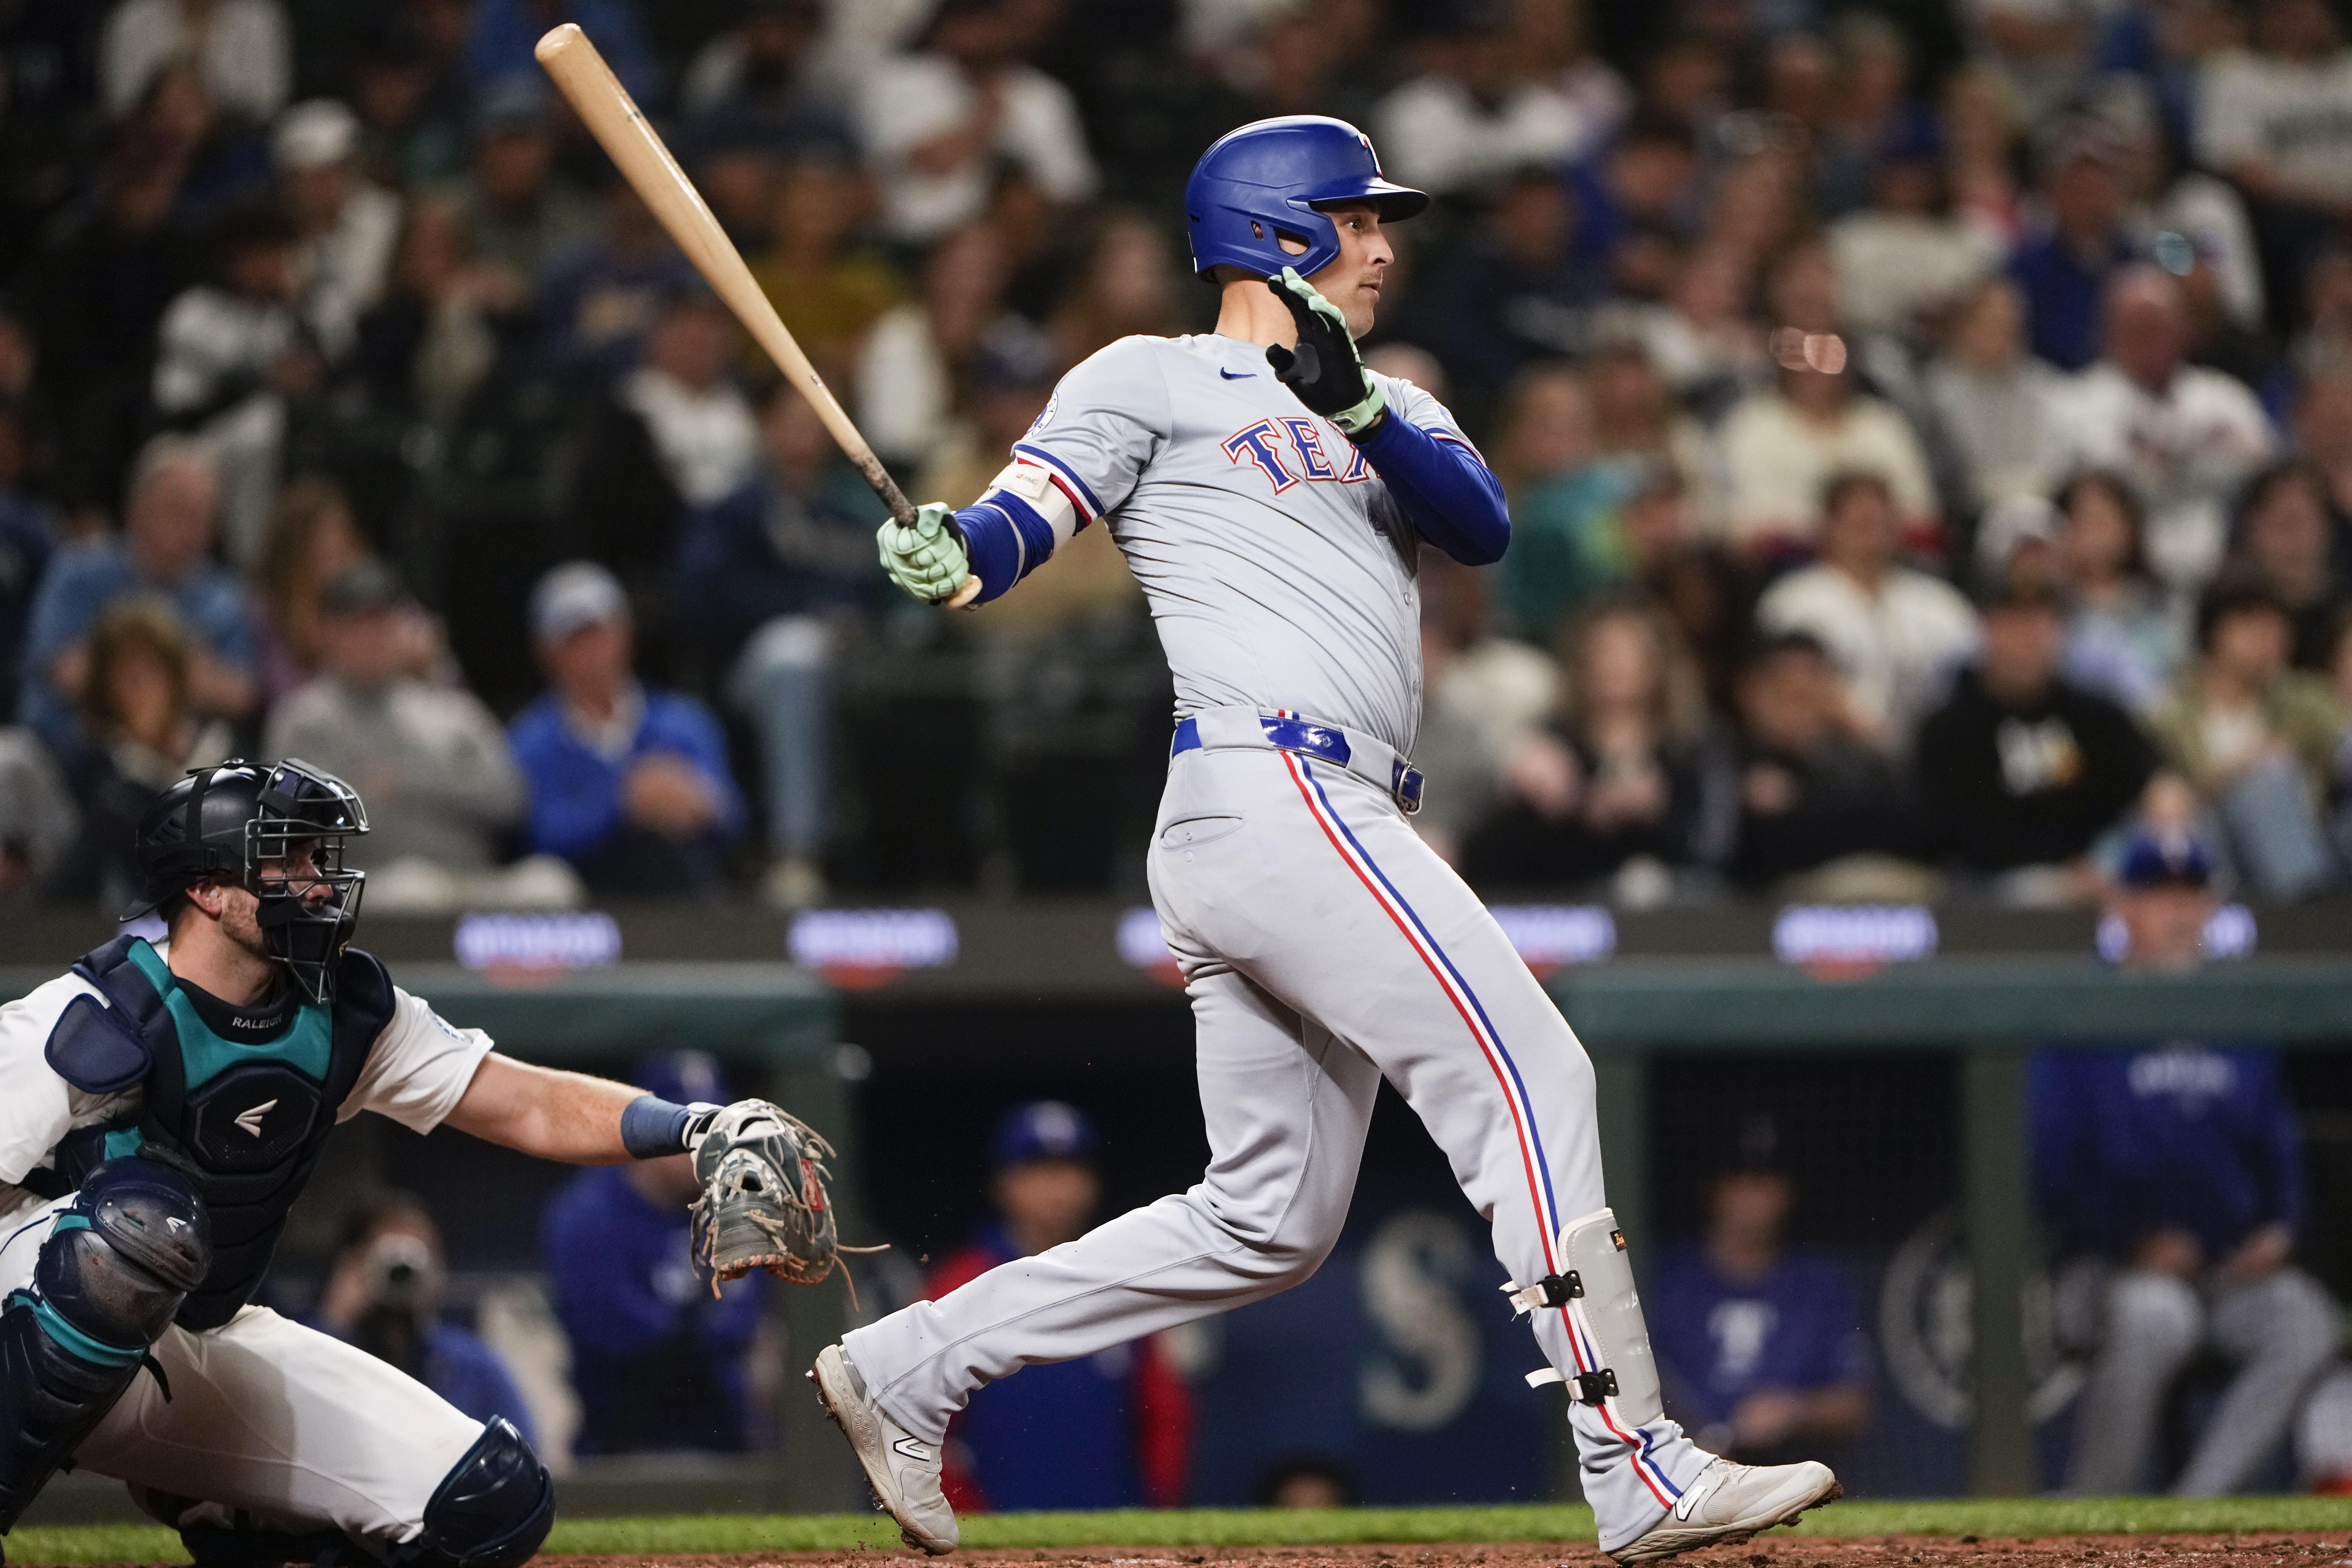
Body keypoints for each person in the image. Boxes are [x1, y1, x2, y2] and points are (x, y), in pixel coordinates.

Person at [814, 114, 1841, 1564]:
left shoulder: (1400, 400)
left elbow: (1478, 526)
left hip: (1328, 813)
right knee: (1536, 1066)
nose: (1380, 247)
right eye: (1357, 221)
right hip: (1270, 787)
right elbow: (1018, 523)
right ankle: (1637, 1462)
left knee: (1269, 1217)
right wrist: (958, 551)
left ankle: (911, 1364)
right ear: (1278, 230)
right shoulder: (1151, 375)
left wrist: (1359, 407)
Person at [0, 757, 814, 1561]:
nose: (317, 880)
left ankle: (231, 1511)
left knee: (490, 1499)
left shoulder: (348, 1010)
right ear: (208, 889)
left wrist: (697, 1126)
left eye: (319, 857)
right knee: (131, 1236)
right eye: (287, 858)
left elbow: (522, 1101)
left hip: (198, 1337)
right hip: (40, 1313)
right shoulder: (87, 1015)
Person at [2035, 827, 2341, 1495]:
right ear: (2122, 906)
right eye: (2157, 894)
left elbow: (2278, 1148)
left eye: (2190, 894)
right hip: (2107, 1270)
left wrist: (2280, 1229)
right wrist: (2132, 1240)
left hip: (2229, 1273)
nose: (2177, 911)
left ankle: (2197, 1508)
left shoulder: (2235, 1012)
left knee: (2307, 1319)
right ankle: (2096, 1504)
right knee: (2156, 1316)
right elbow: (2049, 1164)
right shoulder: (2083, 1009)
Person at [924, 1103, 1191, 1511]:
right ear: (1004, 1183)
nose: (1060, 1187)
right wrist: (960, 1518)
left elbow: (1164, 1412)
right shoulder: (962, 1282)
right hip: (991, 1537)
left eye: (1073, 1169)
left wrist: (1154, 1509)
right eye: (1040, 1170)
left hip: (1111, 1534)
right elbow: (919, 1419)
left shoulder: (1122, 1279)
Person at [677, 383, 877, 908]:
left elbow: (881, 595)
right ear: (766, 430)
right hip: (756, 665)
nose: (803, 437)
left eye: (814, 426)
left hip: (851, 659)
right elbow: (703, 597)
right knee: (794, 653)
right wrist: (802, 608)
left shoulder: (849, 513)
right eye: (791, 423)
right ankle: (797, 852)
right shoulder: (734, 513)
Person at [264, 561, 553, 911]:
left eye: (383, 624)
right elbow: (308, 823)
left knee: (549, 883)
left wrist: (406, 784)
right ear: (328, 633)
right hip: (370, 887)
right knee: (415, 888)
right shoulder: (304, 722)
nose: (373, 640)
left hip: (473, 880)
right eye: (359, 626)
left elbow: (510, 799)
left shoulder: (453, 713)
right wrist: (449, 789)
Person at [542, 1053, 769, 1455]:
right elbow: (617, 1338)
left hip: (725, 1447)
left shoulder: (739, 1207)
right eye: (690, 1127)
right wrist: (695, 1336)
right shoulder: (588, 1213)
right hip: (620, 1449)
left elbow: (744, 1323)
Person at [1913, 581, 2159, 902]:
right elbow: (1955, 833)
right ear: (1988, 630)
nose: (2030, 638)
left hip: (2095, 873)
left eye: (2043, 623)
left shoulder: (2091, 714)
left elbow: (2147, 778)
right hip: (1991, 885)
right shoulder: (1950, 728)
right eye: (2016, 624)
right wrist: (2061, 875)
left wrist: (2162, 795)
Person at [508, 562, 743, 897]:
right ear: (547, 652)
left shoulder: (683, 722)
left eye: (601, 632)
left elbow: (732, 818)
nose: (593, 650)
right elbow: (539, 833)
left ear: (626, 633)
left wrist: (699, 801)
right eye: (575, 639)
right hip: (587, 898)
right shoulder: (531, 740)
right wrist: (623, 802)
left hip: (682, 891)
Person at [18, 438, 254, 758]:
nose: (192, 529)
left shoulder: (224, 599)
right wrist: (184, 673)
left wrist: (119, 669)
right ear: (137, 507)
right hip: (65, 757)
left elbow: (240, 694)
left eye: (204, 517)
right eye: (179, 511)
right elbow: (62, 669)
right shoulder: (80, 572)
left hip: (176, 772)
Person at [2047, 265, 2275, 591]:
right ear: (2108, 333)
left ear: (2184, 330)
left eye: (2162, 326)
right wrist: (2205, 453)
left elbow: (2268, 476)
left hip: (2227, 575)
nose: (2151, 340)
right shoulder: (2075, 407)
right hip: (2124, 582)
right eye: (2138, 328)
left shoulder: (2226, 399)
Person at [1649, 1144, 1870, 1465]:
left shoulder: (1816, 1282)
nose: (1752, 1198)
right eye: (1740, 1182)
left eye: (1766, 1183)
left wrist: (1793, 1410)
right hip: (1675, 1468)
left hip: (1791, 1468)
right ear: (1715, 1190)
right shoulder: (1667, 1277)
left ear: (1787, 1194)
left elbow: (1853, 1407)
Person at [1753, 471, 1979, 754]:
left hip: (1936, 750)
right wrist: (1873, 734)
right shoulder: (1794, 601)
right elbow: (1793, 689)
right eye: (1857, 523)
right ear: (1828, 526)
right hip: (1836, 755)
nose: (1869, 535)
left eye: (1878, 522)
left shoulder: (1938, 602)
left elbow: (1975, 671)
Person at [2144, 576, 2342, 898]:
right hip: (2210, 847)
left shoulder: (2308, 701)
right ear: (2214, 633)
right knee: (2264, 782)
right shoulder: (2168, 717)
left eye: (2279, 627)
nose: (2271, 639)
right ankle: (2302, 909)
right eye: (2255, 626)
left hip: (2309, 840)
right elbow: (2171, 800)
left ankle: (2305, 905)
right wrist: (2247, 765)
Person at [314, 1193, 535, 1443]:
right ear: (353, 1265)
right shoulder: (313, 1354)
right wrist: (334, 1326)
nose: (404, 1273)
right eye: (390, 1259)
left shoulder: (475, 1369)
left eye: (418, 1258)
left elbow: (525, 1461)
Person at [1726, 631, 1923, 894]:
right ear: (1754, 692)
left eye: (1811, 690)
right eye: (1788, 692)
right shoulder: (1732, 758)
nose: (1800, 707)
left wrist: (1874, 738)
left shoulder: (1855, 758)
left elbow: (1914, 829)